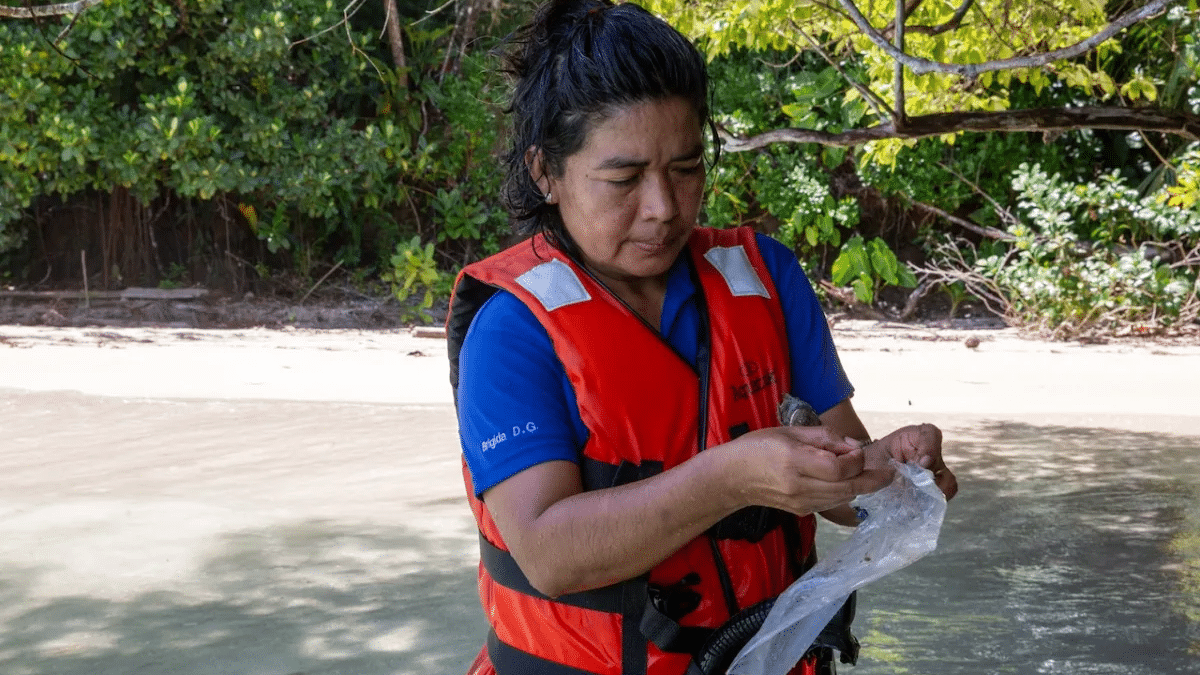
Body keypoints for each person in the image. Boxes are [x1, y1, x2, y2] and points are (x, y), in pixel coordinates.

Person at [446, 1, 959, 673]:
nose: (663, 207)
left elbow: (842, 483)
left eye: (686, 168)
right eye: (624, 178)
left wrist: (889, 472)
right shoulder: (511, 329)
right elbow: (550, 555)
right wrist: (730, 478)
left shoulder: (766, 278)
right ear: (546, 172)